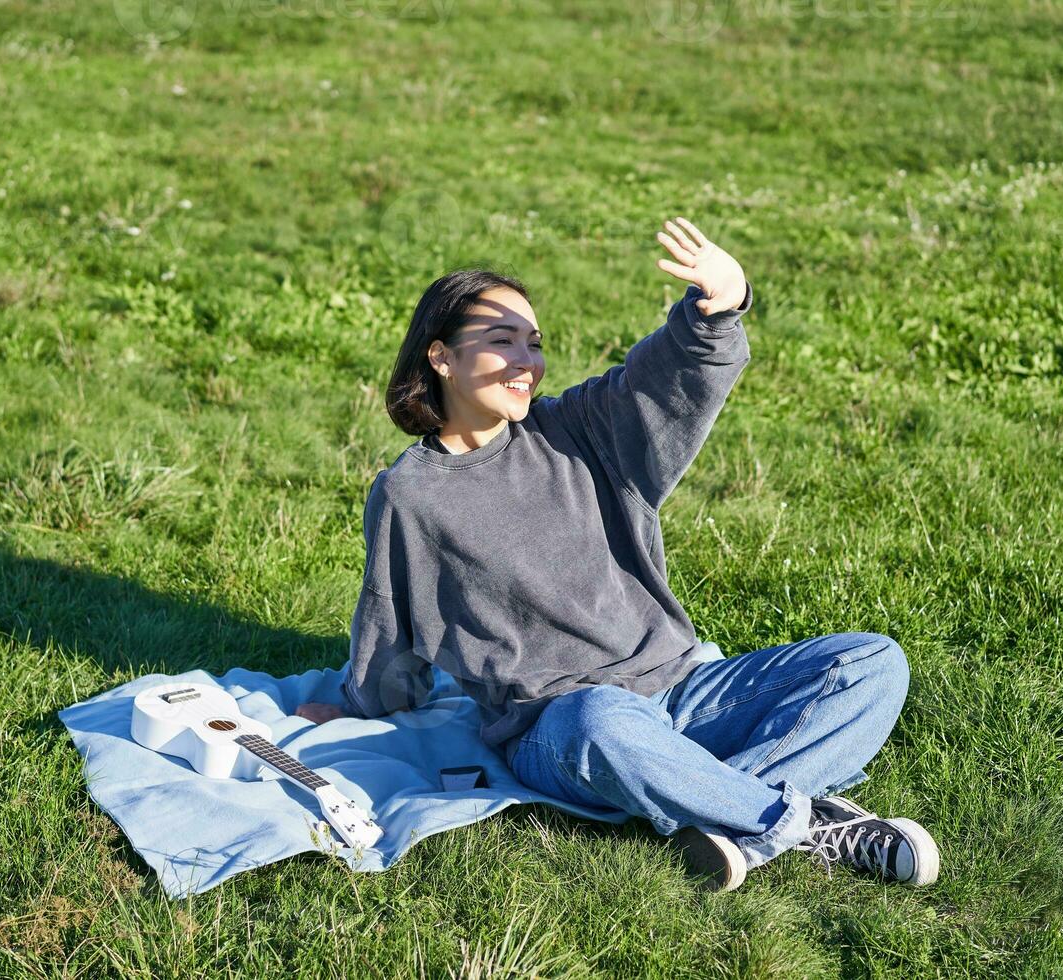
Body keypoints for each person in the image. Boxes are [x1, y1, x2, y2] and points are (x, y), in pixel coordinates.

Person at [295, 216, 939, 891]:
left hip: (683, 689)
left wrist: (717, 307)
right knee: (605, 721)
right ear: (441, 357)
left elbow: (657, 383)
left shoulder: (576, 429)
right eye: (502, 341)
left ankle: (728, 824)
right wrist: (359, 704)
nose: (527, 362)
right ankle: (799, 827)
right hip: (561, 724)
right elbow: (393, 625)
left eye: (535, 343)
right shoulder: (410, 495)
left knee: (872, 664)